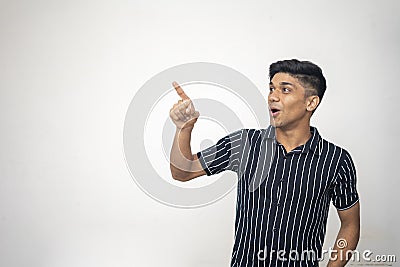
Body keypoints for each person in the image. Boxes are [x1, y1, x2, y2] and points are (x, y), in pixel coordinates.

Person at [169, 59, 360, 267]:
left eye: (285, 90)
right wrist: (184, 128)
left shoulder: (336, 160)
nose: (272, 97)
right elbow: (182, 172)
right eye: (271, 89)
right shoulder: (244, 143)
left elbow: (350, 225)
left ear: (311, 102)